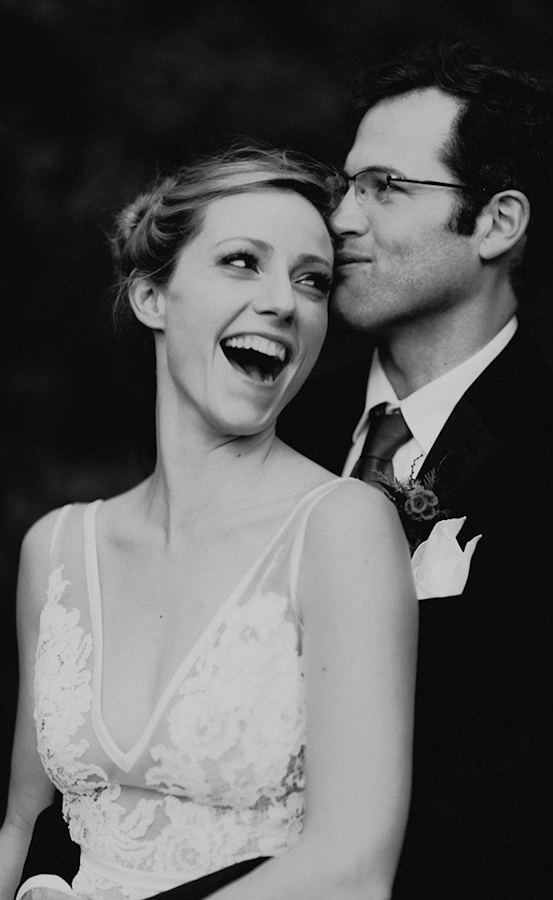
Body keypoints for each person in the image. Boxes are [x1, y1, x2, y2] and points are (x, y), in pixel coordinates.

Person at [0, 147, 418, 900]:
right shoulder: (57, 548)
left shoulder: (342, 527)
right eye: (241, 262)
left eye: (312, 280)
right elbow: (23, 827)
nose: (285, 304)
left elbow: (353, 869)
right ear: (152, 298)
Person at [278, 42, 553, 900]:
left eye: (386, 187)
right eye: (345, 185)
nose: (342, 219)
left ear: (497, 222)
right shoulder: (275, 422)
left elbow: (509, 799)